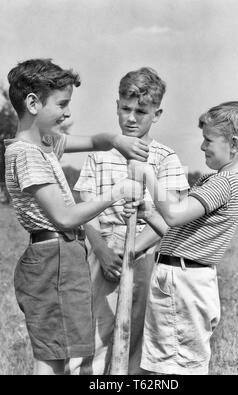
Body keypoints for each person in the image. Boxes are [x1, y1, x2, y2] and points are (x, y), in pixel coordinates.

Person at [4, 58, 149, 375]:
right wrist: (116, 192)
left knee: (61, 351)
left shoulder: (44, 144)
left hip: (62, 255)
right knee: (53, 358)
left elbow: (95, 141)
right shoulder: (26, 153)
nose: (68, 113)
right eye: (62, 104)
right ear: (32, 103)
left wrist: (115, 140)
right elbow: (66, 218)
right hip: (52, 256)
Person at [124, 101, 238, 375]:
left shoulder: (225, 183)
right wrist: (149, 213)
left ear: (233, 145)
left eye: (208, 139)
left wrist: (149, 175)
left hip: (183, 282)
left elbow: (175, 215)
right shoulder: (224, 182)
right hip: (183, 276)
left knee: (176, 366)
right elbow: (177, 231)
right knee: (167, 363)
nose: (202, 146)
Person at [74, 67, 189, 374]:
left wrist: (134, 249)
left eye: (142, 111)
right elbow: (86, 209)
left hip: (145, 252)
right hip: (103, 250)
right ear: (117, 106)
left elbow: (171, 217)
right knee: (96, 330)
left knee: (138, 330)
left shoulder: (166, 157)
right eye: (126, 109)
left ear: (157, 113)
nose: (132, 118)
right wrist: (99, 248)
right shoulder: (99, 155)